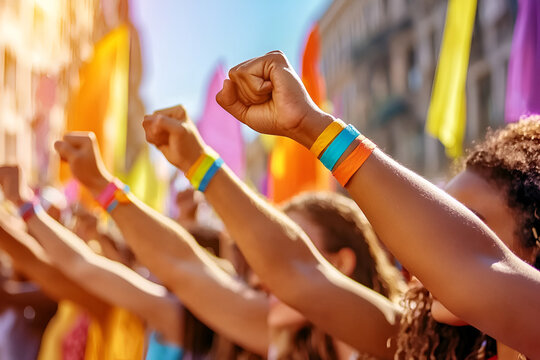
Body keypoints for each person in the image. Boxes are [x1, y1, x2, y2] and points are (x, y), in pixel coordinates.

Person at [141, 51, 540, 358]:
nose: (424, 243)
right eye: (440, 211)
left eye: (466, 224)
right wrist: (198, 163)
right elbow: (298, 273)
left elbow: (471, 269)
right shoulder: (419, 344)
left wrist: (317, 127)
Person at [53, 131, 405, 359]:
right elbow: (182, 265)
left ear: (341, 263)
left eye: (281, 252)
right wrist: (102, 186)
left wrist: (201, 164)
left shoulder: (399, 341)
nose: (256, 278)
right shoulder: (288, 337)